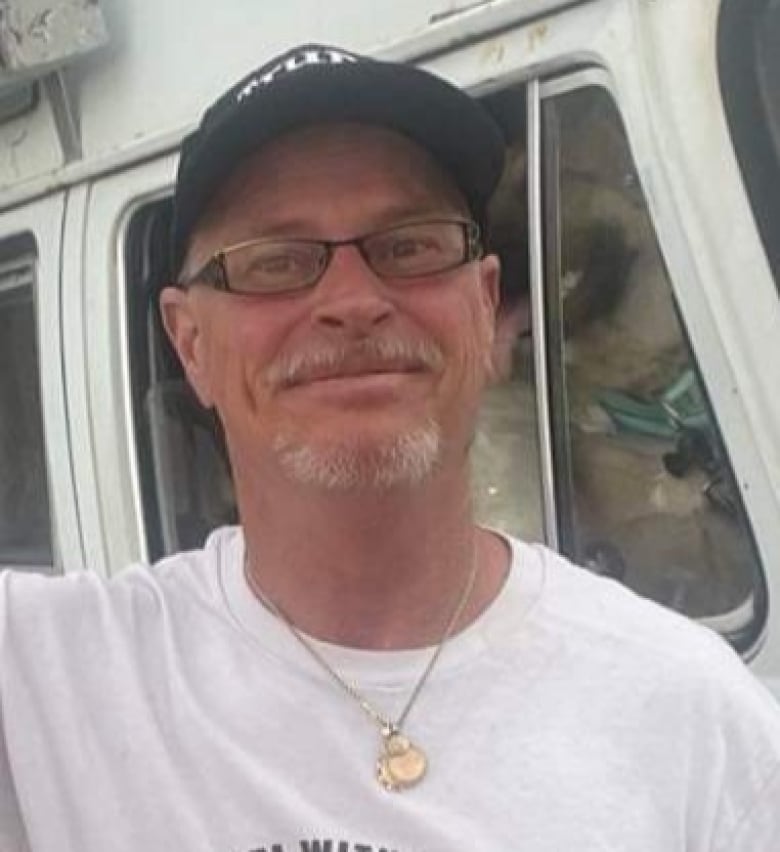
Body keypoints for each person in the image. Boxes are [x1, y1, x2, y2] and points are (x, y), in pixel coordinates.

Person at [1, 43, 779, 852]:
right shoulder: (51, 682)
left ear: (482, 308)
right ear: (189, 343)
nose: (353, 302)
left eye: (409, 246)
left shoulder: (694, 718)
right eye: (276, 262)